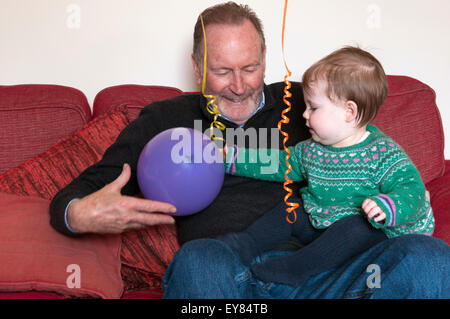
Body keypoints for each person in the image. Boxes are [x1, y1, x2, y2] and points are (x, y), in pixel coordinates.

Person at [49, 2, 450, 298]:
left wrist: (403, 196)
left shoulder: (306, 104)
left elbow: (368, 143)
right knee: (198, 260)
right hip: (232, 282)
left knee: (431, 258)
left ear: (264, 60)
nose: (239, 86)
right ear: (196, 65)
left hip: (335, 274)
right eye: (222, 71)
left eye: (251, 68)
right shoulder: (164, 119)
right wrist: (78, 213)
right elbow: (82, 190)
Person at [218, 46, 435, 287]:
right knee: (291, 209)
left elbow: (412, 189)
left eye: (313, 107)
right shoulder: (311, 149)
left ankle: (298, 268)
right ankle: (246, 243)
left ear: (349, 112)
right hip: (322, 225)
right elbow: (279, 164)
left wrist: (389, 205)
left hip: (373, 237)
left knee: (358, 225)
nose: (304, 115)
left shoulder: (382, 152)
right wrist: (231, 157)